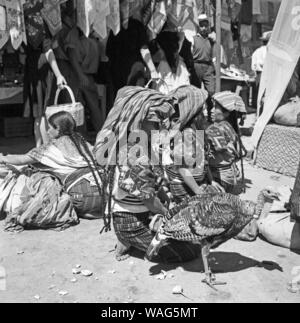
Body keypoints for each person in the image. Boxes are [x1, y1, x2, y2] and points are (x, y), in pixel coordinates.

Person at [95, 86, 201, 263]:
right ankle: (127, 238)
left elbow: (152, 186)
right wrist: (168, 214)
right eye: (154, 123)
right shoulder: (135, 153)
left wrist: (163, 199)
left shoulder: (138, 144)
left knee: (189, 234)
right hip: (131, 221)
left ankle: (130, 240)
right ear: (138, 121)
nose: (158, 128)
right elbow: (148, 200)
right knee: (189, 250)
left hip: (144, 215)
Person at [0, 112, 105, 220]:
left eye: (49, 127)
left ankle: (85, 210)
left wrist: (3, 158)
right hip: (105, 189)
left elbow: (22, 159)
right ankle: (99, 209)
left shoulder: (50, 148)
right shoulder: (82, 141)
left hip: (82, 196)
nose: (47, 131)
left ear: (58, 128)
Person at [23, 0, 67, 147]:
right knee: (43, 114)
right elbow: (49, 51)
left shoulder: (23, 27)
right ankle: (45, 150)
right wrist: (59, 74)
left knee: (38, 114)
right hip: (41, 72)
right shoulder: (42, 26)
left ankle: (40, 148)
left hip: (32, 70)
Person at [206, 92, 247, 194]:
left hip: (220, 180)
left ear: (227, 113)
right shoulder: (230, 127)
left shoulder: (214, 129)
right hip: (232, 176)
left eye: (215, 108)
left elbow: (201, 158)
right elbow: (239, 154)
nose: (211, 111)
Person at [191, 14, 216, 122]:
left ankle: (211, 115)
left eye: (206, 25)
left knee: (211, 91)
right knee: (196, 92)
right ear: (198, 27)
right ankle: (196, 116)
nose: (204, 28)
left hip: (208, 66)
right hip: (196, 65)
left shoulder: (211, 39)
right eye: (202, 26)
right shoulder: (194, 39)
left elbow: (214, 53)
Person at [252, 31, 272, 108]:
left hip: (259, 75)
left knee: (260, 95)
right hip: (269, 75)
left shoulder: (256, 51)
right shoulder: (270, 51)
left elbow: (253, 67)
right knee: (268, 95)